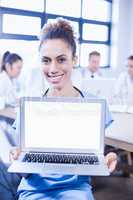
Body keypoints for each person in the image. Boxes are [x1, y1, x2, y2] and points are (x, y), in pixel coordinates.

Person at [10, 18, 117, 200]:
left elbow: (100, 154)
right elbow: (23, 171)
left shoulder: (93, 104)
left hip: (76, 189)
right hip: (33, 189)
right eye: (46, 60)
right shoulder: (29, 106)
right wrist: (18, 159)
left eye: (61, 59)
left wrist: (109, 157)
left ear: (74, 60)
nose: (53, 68)